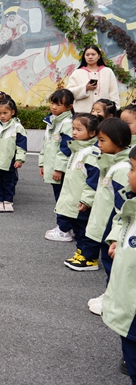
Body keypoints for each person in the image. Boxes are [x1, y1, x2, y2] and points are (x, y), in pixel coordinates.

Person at [84, 118, 133, 315]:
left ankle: (113, 299)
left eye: (102, 140)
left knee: (113, 264)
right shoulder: (113, 164)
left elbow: (123, 208)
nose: (98, 144)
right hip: (106, 225)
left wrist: (114, 235)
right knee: (109, 264)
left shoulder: (122, 169)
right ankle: (110, 294)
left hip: (111, 228)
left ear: (119, 141)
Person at [101, 144, 136, 384]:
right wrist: (117, 239)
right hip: (126, 300)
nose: (128, 174)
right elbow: (123, 220)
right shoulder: (132, 202)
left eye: (132, 169)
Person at [56, 113, 101, 270]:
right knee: (77, 228)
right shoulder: (76, 149)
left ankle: (90, 259)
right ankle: (81, 252)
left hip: (83, 202)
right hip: (74, 200)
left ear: (92, 133)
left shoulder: (91, 152)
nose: (74, 132)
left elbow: (93, 180)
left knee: (85, 230)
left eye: (79, 129)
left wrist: (86, 200)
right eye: (73, 129)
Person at [40, 89, 75, 241]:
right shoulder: (52, 120)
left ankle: (64, 228)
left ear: (69, 107)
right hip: (52, 167)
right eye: (53, 103)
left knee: (63, 198)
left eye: (59, 105)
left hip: (60, 169)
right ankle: (65, 226)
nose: (54, 107)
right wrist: (42, 163)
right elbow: (46, 144)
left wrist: (59, 168)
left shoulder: (67, 123)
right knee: (59, 197)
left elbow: (66, 148)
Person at [65, 45, 120, 113]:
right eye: (87, 55)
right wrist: (85, 88)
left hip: (104, 113)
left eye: (93, 54)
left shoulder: (107, 72)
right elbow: (69, 94)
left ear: (99, 56)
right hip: (82, 114)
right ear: (84, 57)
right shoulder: (77, 73)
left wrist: (114, 108)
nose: (90, 57)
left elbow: (113, 92)